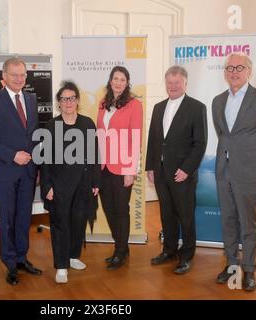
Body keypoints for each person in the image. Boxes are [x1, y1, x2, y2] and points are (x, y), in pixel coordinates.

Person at [212, 52, 256, 291]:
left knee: (247, 222)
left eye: (239, 68)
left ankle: (249, 269)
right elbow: (224, 135)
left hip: (249, 173)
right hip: (223, 171)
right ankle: (231, 264)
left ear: (249, 71)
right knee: (228, 220)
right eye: (229, 68)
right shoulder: (218, 101)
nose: (234, 72)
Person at [0, 58, 41, 286]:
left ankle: (22, 257)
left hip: (28, 171)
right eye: (14, 75)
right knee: (7, 219)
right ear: (3, 77)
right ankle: (10, 262)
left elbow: (33, 136)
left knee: (24, 218)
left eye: (23, 75)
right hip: (5, 171)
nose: (19, 79)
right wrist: (12, 155)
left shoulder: (31, 99)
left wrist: (37, 166)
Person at [146, 65, 207, 275]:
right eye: (169, 83)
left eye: (177, 83)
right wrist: (150, 167)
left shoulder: (197, 107)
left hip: (183, 174)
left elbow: (200, 143)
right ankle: (169, 250)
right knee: (166, 213)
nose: (172, 86)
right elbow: (153, 140)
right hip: (161, 172)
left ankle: (187, 255)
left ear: (185, 83)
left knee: (186, 216)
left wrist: (187, 170)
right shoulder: (158, 107)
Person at [40, 81, 100, 283]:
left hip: (83, 184)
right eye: (64, 99)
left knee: (78, 222)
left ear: (77, 101)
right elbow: (46, 160)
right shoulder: (51, 126)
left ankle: (73, 256)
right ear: (59, 102)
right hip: (59, 185)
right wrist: (47, 186)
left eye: (72, 98)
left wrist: (95, 182)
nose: (68, 102)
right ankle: (61, 265)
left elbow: (94, 156)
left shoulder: (87, 123)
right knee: (60, 224)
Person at [96, 66, 143, 270]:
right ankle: (121, 246)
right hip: (103, 166)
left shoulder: (134, 105)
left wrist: (131, 170)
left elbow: (136, 138)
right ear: (110, 80)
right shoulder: (103, 103)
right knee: (108, 208)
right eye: (115, 78)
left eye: (122, 79)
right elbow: (99, 134)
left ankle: (120, 251)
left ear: (127, 82)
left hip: (123, 166)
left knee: (121, 210)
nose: (118, 82)